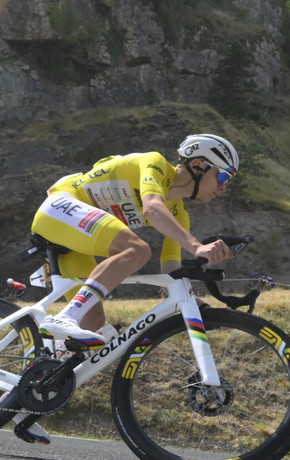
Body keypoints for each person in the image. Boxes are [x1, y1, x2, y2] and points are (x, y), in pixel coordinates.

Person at [31, 133, 237, 349]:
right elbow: (152, 207)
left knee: (92, 323)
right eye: (222, 177)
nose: (223, 187)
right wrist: (197, 246)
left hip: (74, 241)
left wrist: (208, 312)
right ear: (197, 165)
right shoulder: (155, 163)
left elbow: (171, 272)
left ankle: (45, 366)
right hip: (59, 207)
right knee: (137, 249)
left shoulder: (179, 215)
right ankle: (65, 318)